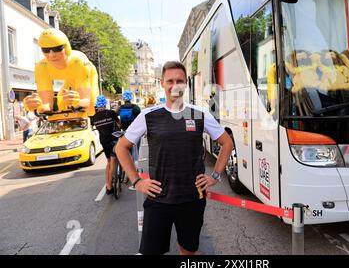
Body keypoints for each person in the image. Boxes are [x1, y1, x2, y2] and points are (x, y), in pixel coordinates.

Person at [116, 61, 233, 255]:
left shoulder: (200, 114)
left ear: (185, 83)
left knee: (187, 250)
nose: (174, 85)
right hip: (158, 199)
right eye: (170, 80)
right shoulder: (148, 115)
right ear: (162, 83)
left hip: (192, 199)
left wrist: (215, 176)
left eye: (179, 80)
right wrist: (137, 181)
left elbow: (227, 143)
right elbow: (122, 147)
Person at [23, 28, 99, 116]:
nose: (51, 55)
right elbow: (46, 106)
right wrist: (34, 105)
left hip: (87, 76)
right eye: (46, 50)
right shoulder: (41, 66)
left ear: (66, 47)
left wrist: (80, 102)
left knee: (90, 106)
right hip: (70, 79)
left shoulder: (79, 61)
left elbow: (85, 101)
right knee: (63, 103)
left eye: (57, 49)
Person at [91, 95, 120, 195]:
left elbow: (94, 128)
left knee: (108, 162)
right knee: (113, 161)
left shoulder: (94, 117)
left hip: (103, 141)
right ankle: (110, 185)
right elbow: (119, 123)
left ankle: (107, 184)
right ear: (105, 104)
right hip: (113, 140)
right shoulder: (111, 113)